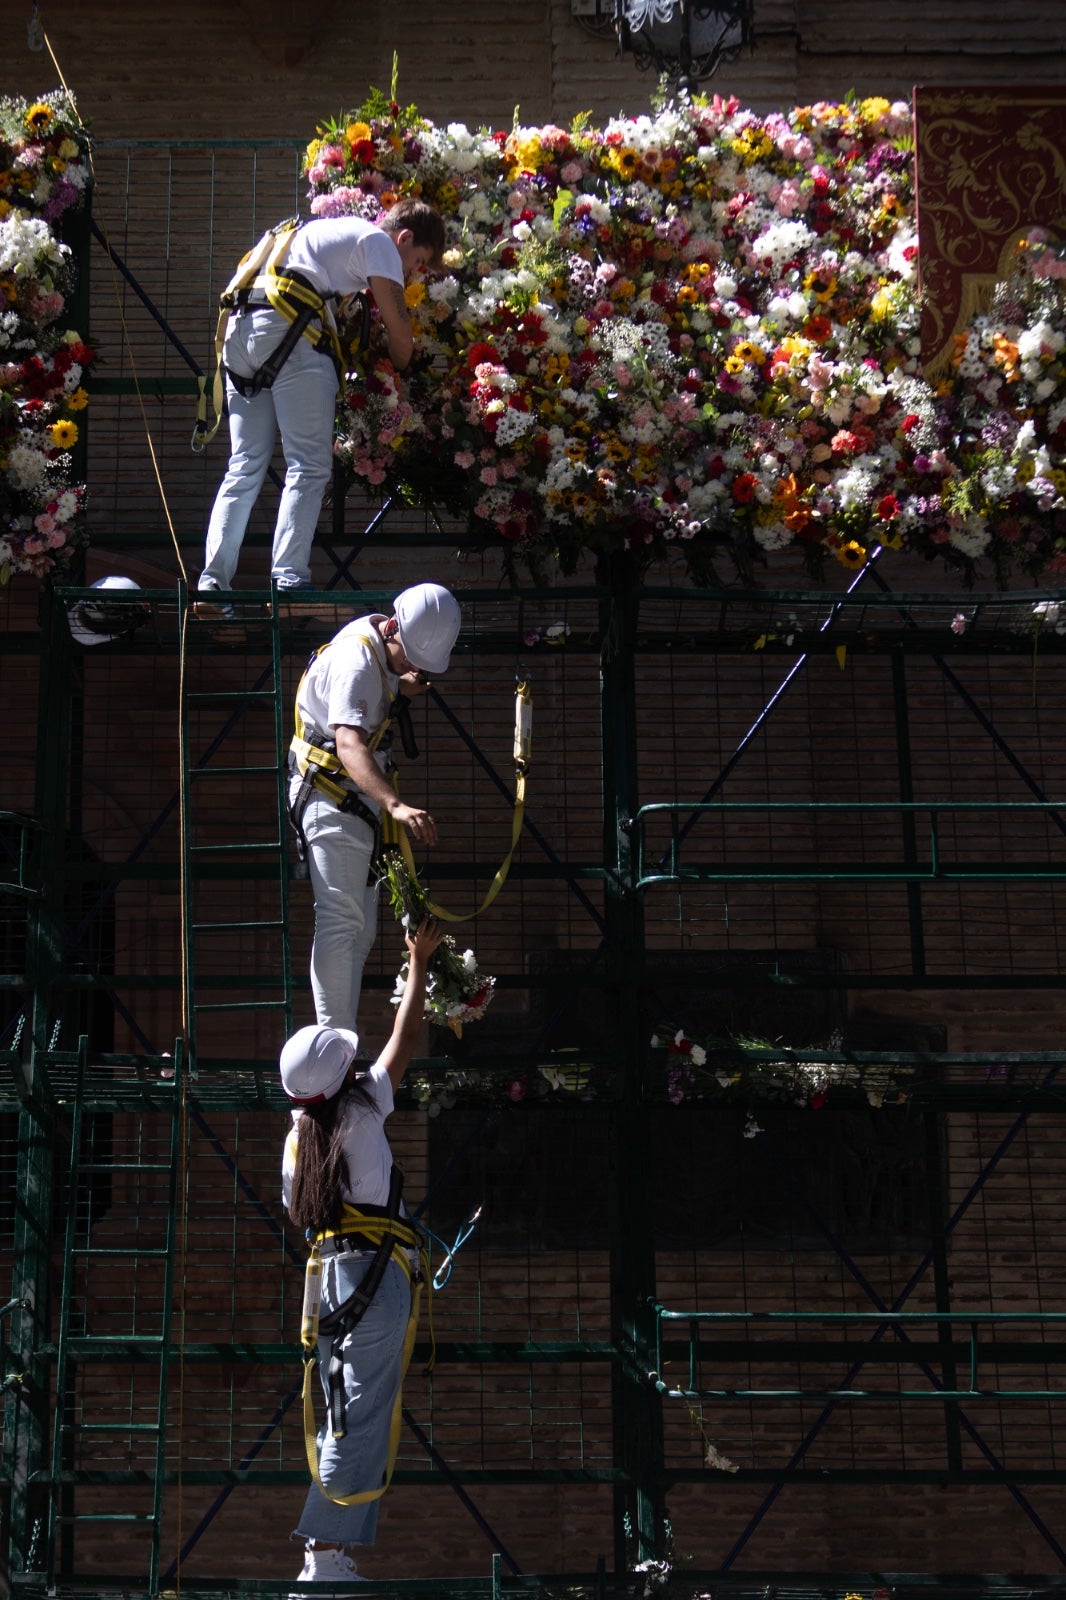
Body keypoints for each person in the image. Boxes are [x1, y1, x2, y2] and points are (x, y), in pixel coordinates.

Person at [281, 916, 445, 1585]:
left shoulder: (298, 1140)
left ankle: (331, 1553)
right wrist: (419, 961)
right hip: (376, 1284)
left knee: (340, 1406)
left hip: (328, 1283)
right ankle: (323, 1555)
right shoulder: (363, 1107)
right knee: (360, 1412)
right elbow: (405, 1038)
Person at [197, 200, 446, 606]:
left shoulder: (308, 236)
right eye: (416, 260)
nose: (410, 272)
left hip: (239, 337)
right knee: (309, 465)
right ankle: (289, 580)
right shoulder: (379, 242)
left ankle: (212, 582)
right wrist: (401, 369)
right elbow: (401, 335)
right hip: (290, 334)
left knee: (243, 466)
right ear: (405, 237)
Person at [288, 582, 462, 1032]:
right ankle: (335, 1042)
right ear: (390, 627)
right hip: (333, 794)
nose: (412, 667)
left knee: (358, 928)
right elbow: (348, 743)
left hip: (349, 800)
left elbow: (368, 696)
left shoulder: (377, 652)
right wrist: (396, 805)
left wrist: (398, 686)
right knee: (341, 920)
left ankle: (338, 1041)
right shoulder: (357, 661)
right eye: (410, 657)